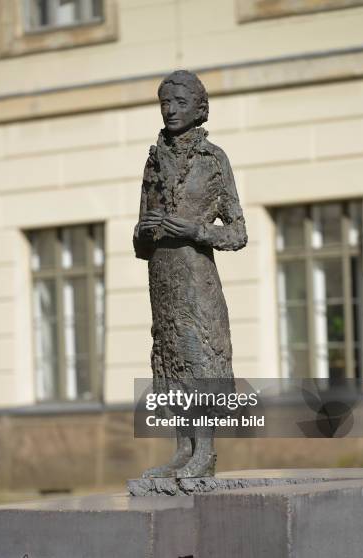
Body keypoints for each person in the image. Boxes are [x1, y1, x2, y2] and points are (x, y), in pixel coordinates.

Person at [133, 70, 247, 478]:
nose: (170, 110)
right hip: (162, 279)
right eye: (165, 103)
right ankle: (183, 448)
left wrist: (197, 231)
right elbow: (141, 239)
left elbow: (237, 232)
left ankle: (206, 451)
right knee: (168, 362)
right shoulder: (153, 160)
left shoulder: (213, 160)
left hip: (197, 280)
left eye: (180, 103)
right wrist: (143, 232)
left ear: (200, 109)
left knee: (198, 359)